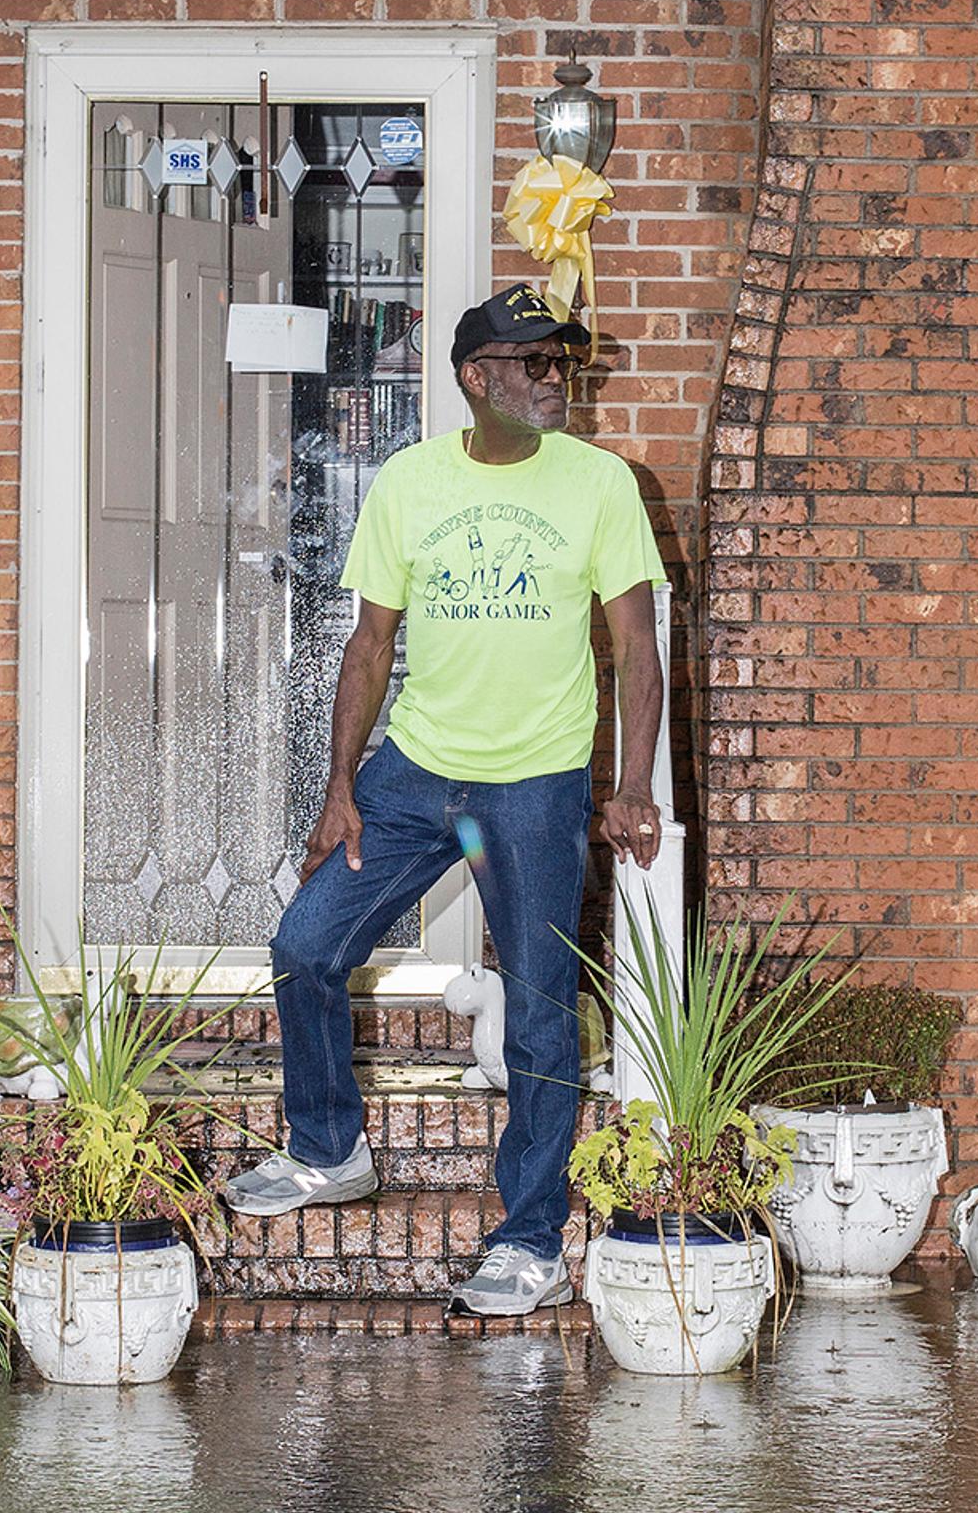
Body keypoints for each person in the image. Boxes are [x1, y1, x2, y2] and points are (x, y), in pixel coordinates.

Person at [222, 283, 667, 1317]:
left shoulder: (600, 484)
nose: (558, 380)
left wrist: (630, 782)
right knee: (308, 944)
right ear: (478, 378)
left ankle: (529, 1242)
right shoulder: (410, 484)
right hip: (419, 771)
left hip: (535, 781)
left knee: (542, 1010)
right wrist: (339, 787)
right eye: (536, 363)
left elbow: (637, 648)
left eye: (565, 364)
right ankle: (329, 1149)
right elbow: (370, 643)